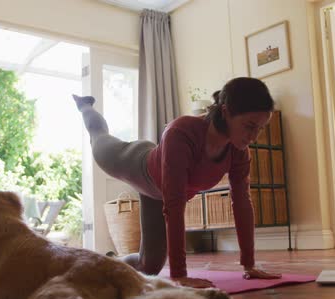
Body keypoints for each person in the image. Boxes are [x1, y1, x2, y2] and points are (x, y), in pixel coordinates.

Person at [73, 77, 282, 288]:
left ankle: (109, 263)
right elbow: (174, 205)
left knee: (149, 266)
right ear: (226, 112)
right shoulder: (181, 132)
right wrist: (180, 275)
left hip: (157, 191)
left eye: (260, 129)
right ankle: (85, 106)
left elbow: (242, 203)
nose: (253, 137)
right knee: (99, 139)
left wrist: (249, 265)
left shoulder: (238, 151)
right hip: (135, 163)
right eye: (249, 126)